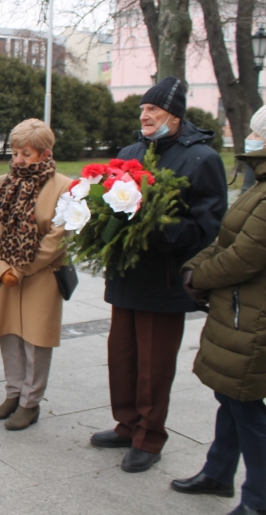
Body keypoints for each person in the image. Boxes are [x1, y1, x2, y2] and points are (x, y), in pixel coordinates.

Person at [90, 76, 228, 473]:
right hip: (126, 275)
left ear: (175, 115)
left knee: (154, 365)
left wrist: (155, 227)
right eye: (143, 109)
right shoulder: (131, 151)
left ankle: (149, 438)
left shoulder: (201, 159)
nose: (145, 115)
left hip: (164, 280)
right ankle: (126, 424)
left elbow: (207, 227)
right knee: (122, 357)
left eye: (153, 109)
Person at [170, 105, 266, 515]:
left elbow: (244, 257)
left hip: (255, 315)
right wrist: (194, 265)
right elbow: (227, 239)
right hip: (239, 310)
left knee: (247, 405)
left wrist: (199, 276)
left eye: (255, 132)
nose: (249, 137)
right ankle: (218, 472)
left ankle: (258, 501)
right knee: (230, 397)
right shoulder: (264, 183)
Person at [0, 119, 73, 430]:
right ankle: (13, 393)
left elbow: (59, 238)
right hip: (6, 274)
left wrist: (21, 269)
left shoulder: (65, 187)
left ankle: (30, 402)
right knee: (9, 335)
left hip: (41, 276)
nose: (19, 160)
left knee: (36, 340)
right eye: (15, 153)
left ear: (45, 153)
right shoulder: (4, 181)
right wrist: (1, 269)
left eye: (26, 154)